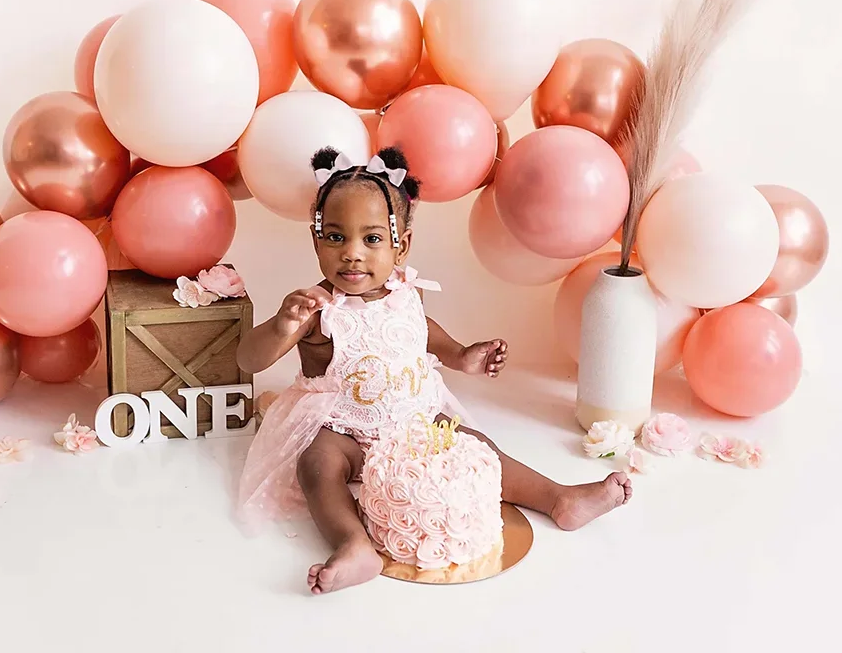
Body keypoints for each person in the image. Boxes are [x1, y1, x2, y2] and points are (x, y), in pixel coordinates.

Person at [236, 146, 632, 595]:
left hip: (417, 420)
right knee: (316, 465)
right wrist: (281, 325)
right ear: (316, 240)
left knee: (476, 446)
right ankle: (354, 544)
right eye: (335, 237)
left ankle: (559, 497)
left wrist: (462, 355)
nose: (351, 254)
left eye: (371, 239)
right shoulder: (316, 308)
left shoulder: (407, 292)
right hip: (343, 424)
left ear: (400, 245)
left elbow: (421, 331)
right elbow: (249, 360)